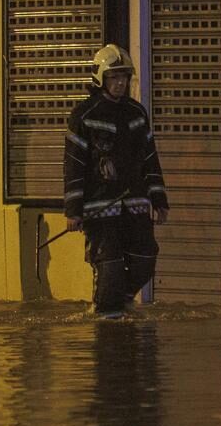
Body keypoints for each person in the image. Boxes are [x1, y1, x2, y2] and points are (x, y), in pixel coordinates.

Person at [64, 44, 170, 318]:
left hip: (135, 204)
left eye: (124, 77)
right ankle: (105, 320)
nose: (120, 83)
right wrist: (73, 211)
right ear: (100, 78)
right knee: (109, 266)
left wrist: (159, 199)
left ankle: (117, 301)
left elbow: (150, 157)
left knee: (145, 259)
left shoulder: (136, 113)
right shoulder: (84, 116)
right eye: (114, 77)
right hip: (100, 208)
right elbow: (74, 166)